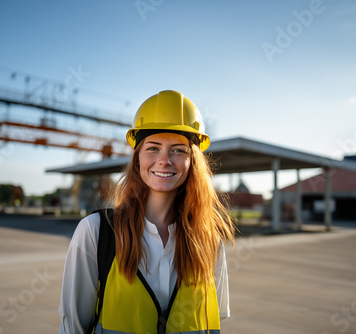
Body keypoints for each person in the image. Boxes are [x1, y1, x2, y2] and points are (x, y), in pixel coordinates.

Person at [58, 90, 236, 334]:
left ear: (192, 161)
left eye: (178, 150)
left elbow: (214, 319)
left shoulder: (209, 242)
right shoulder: (96, 232)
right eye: (153, 148)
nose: (164, 160)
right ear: (137, 159)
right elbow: (72, 328)